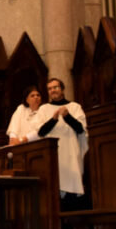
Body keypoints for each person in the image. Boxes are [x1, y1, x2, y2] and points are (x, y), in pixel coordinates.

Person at [23, 77, 88, 208]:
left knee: (73, 187)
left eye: (56, 87)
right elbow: (40, 132)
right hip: (54, 155)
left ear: (62, 89)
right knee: (55, 189)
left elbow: (81, 129)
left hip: (71, 153)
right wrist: (53, 119)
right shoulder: (44, 109)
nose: (53, 90)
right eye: (50, 89)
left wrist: (67, 116)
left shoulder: (75, 107)